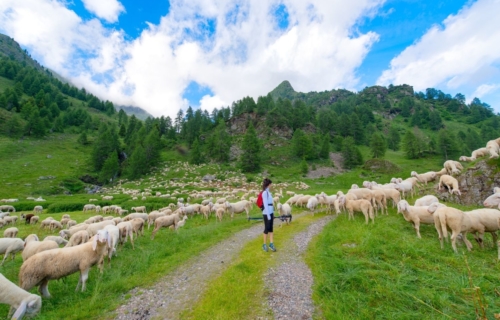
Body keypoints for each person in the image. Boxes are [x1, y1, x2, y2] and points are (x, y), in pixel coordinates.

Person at [261, 178, 276, 252]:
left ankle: (271, 243)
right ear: (269, 184)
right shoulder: (264, 193)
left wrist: (272, 213)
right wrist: (268, 215)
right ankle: (264, 244)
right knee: (266, 228)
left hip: (271, 212)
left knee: (271, 228)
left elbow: (270, 204)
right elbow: (265, 204)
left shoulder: (269, 193)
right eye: (271, 184)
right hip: (266, 213)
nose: (272, 185)